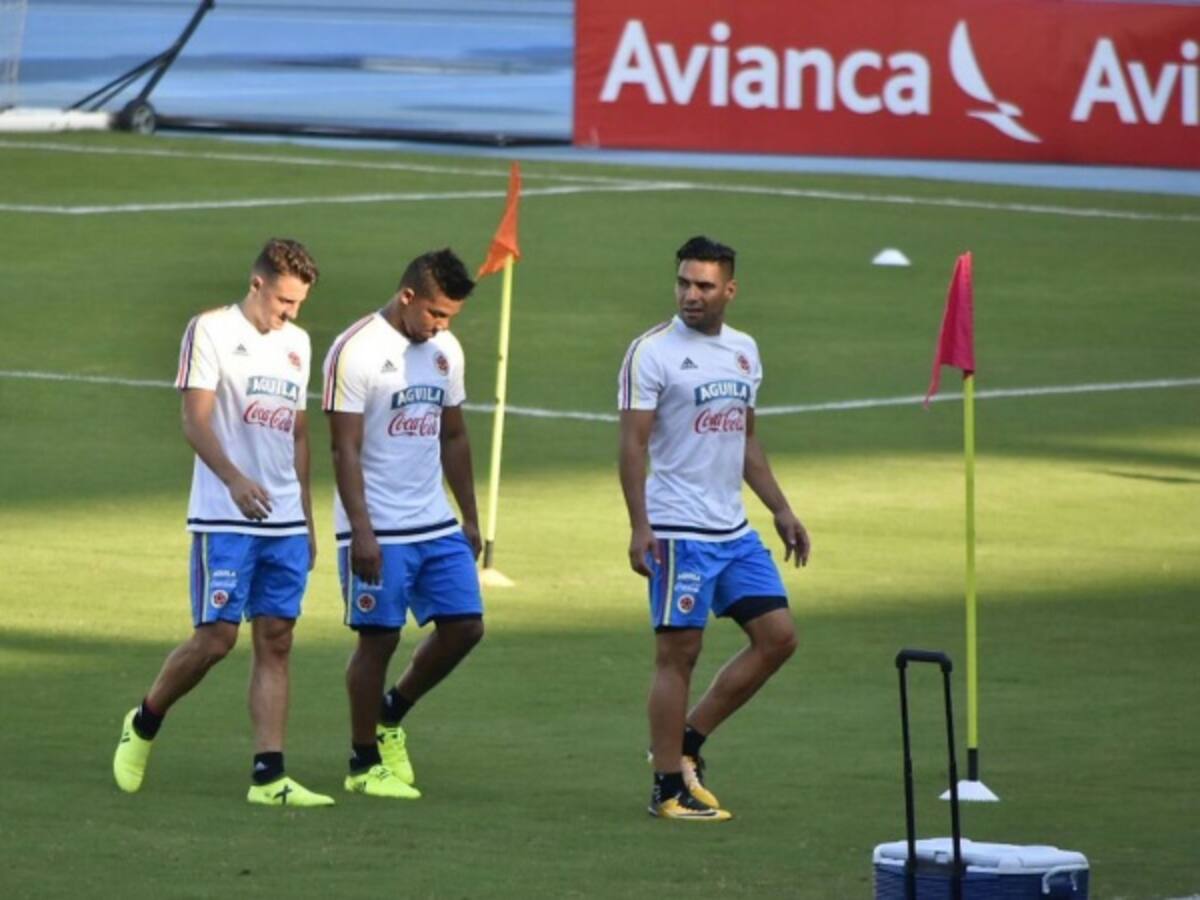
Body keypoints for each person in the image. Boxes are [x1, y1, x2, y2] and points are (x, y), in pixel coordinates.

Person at [112, 238, 333, 807]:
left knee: (277, 640)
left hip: (283, 518)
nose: (291, 313)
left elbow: (298, 433)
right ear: (257, 284)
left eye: (299, 303)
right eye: (284, 301)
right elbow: (195, 419)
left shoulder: (298, 343)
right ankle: (144, 720)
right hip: (225, 513)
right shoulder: (209, 330)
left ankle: (269, 777)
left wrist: (307, 517)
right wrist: (234, 479)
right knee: (216, 639)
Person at [618, 235, 811, 822]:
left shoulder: (744, 351)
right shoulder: (651, 352)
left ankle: (686, 744)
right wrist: (640, 526)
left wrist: (780, 507)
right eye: (683, 283)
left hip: (733, 528)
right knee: (679, 654)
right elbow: (632, 444)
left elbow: (745, 438)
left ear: (730, 289)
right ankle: (665, 789)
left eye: (704, 285)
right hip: (678, 530)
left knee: (778, 637)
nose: (691, 295)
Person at [323, 248, 484, 800]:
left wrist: (469, 516)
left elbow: (454, 436)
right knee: (379, 639)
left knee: (466, 627)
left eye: (450, 317)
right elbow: (344, 449)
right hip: (378, 525)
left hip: (433, 520)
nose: (441, 326)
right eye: (435, 313)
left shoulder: (445, 350)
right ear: (407, 296)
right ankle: (363, 761)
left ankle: (392, 712)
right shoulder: (356, 350)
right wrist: (361, 531)